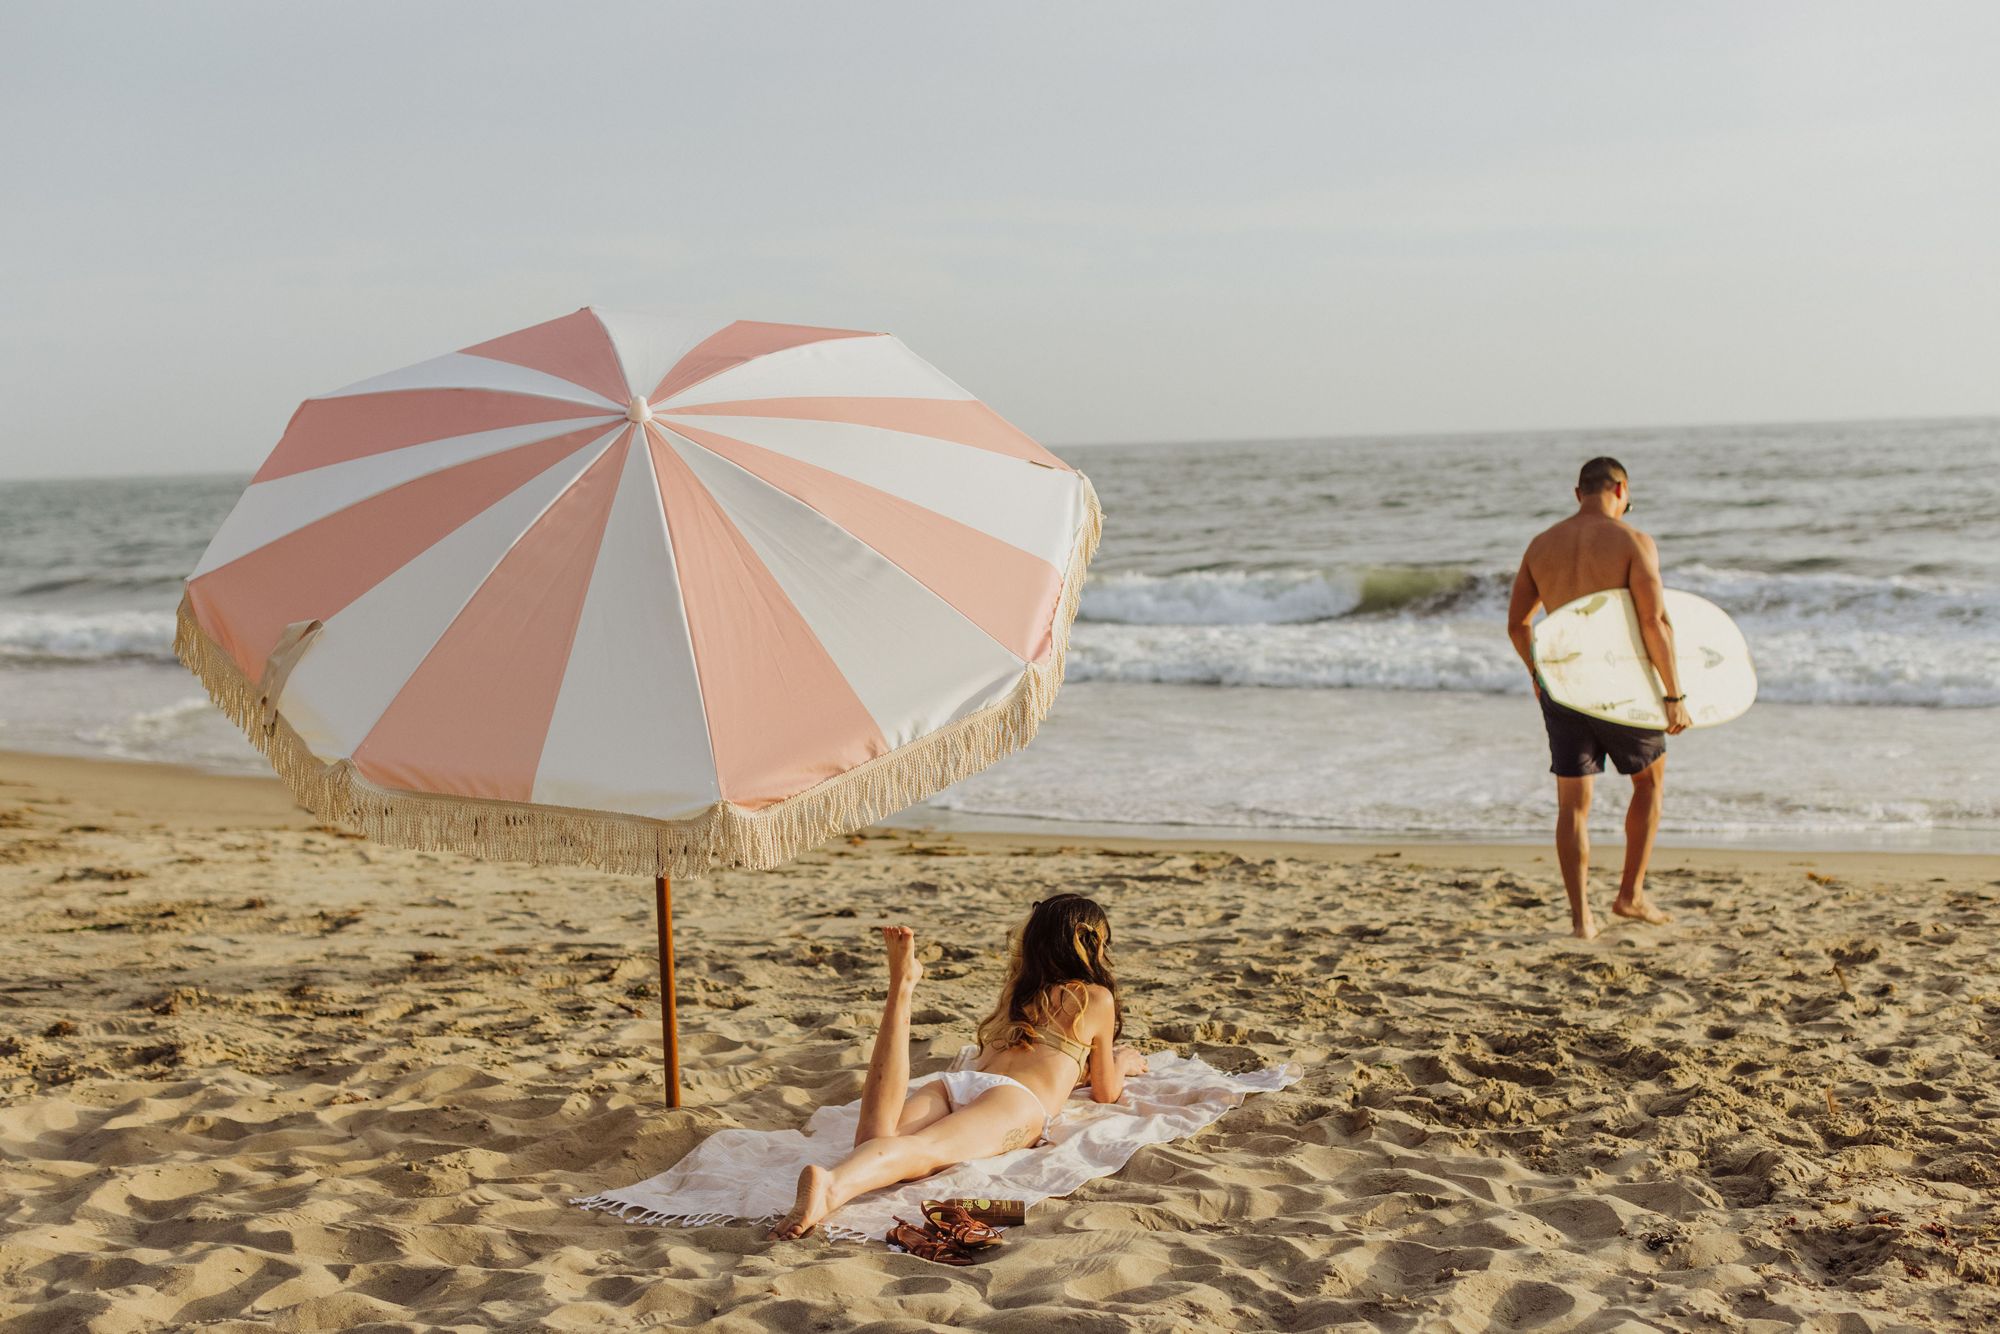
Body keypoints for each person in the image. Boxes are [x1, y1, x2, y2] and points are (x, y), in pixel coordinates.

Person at [770, 894, 1148, 1239]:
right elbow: (1105, 1091)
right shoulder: (1094, 998)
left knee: (875, 1142)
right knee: (924, 1150)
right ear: (1091, 944)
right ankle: (831, 1186)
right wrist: (1122, 1061)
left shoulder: (1020, 991)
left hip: (959, 1083)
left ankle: (902, 986)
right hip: (1016, 1100)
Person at [1507, 457, 1692, 940]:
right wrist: (1674, 695)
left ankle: (1581, 920)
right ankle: (1630, 895)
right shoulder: (1633, 541)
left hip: (1563, 684)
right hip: (1619, 684)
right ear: (1621, 489)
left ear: (1578, 493)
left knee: (1573, 804)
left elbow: (1519, 624)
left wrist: (1537, 670)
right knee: (1648, 786)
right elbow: (1653, 622)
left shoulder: (1541, 545)